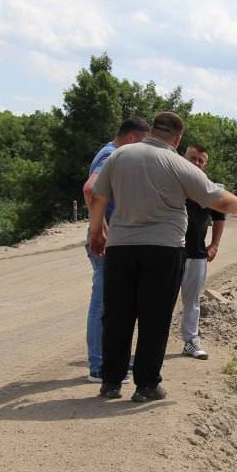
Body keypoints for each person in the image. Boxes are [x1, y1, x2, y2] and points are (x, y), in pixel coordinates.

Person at [88, 112, 237, 403]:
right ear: (178, 138)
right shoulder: (179, 164)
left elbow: (96, 195)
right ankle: (146, 385)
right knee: (154, 318)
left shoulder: (120, 156)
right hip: (163, 250)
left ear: (152, 130)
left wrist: (96, 232)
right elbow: (216, 198)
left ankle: (110, 382)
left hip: (120, 247)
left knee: (117, 315)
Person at [81, 117, 150, 381]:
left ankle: (110, 360)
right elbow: (90, 189)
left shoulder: (109, 152)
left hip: (110, 238)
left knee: (110, 302)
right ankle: (98, 365)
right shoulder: (111, 155)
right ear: (132, 138)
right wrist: (101, 228)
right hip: (105, 241)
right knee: (102, 302)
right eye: (142, 143)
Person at [178, 143, 224, 361]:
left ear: (205, 164)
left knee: (192, 300)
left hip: (196, 253)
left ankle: (191, 341)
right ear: (183, 157)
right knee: (158, 300)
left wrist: (214, 245)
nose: (196, 163)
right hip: (168, 252)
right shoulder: (172, 183)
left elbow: (220, 217)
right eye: (193, 158)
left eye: (200, 160)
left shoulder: (209, 188)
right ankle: (147, 348)